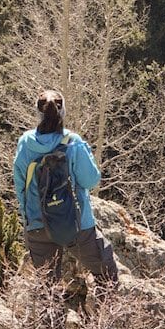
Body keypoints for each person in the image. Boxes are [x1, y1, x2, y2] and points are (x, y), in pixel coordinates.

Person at [12, 89, 119, 286]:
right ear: (63, 113)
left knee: (48, 291)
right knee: (107, 275)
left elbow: (20, 187)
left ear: (38, 113)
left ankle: (52, 318)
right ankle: (103, 317)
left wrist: (29, 218)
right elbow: (90, 180)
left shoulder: (25, 143)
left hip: (37, 224)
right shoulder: (73, 142)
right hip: (75, 224)